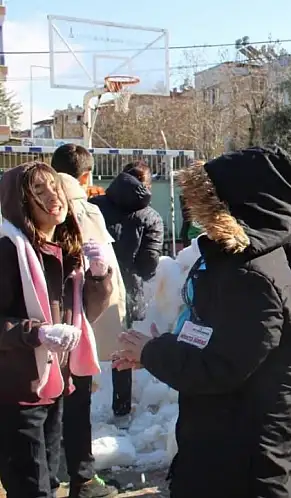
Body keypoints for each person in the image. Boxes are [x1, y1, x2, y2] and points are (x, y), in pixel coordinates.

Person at [113, 146, 291, 498]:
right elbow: (217, 338)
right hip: (232, 438)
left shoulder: (251, 274)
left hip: (249, 456)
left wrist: (154, 352)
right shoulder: (239, 259)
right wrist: (170, 346)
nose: (196, 211)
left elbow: (221, 367)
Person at [0, 162, 113, 498]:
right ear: (20, 202)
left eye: (55, 187)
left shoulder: (64, 249)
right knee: (31, 488)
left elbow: (84, 315)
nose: (54, 197)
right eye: (39, 190)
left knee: (48, 483)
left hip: (55, 384)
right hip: (17, 391)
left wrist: (98, 276)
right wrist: (35, 333)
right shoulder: (8, 252)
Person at [51, 144, 125, 498]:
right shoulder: (81, 210)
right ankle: (81, 479)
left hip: (37, 327)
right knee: (76, 403)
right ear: (86, 176)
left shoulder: (22, 208)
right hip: (75, 322)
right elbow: (100, 277)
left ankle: (47, 478)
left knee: (46, 404)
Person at [90, 162, 164, 428]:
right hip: (127, 293)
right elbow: (148, 265)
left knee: (83, 344)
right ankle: (121, 411)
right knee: (123, 349)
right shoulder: (151, 216)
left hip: (90, 287)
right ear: (146, 185)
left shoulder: (93, 205)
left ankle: (76, 407)